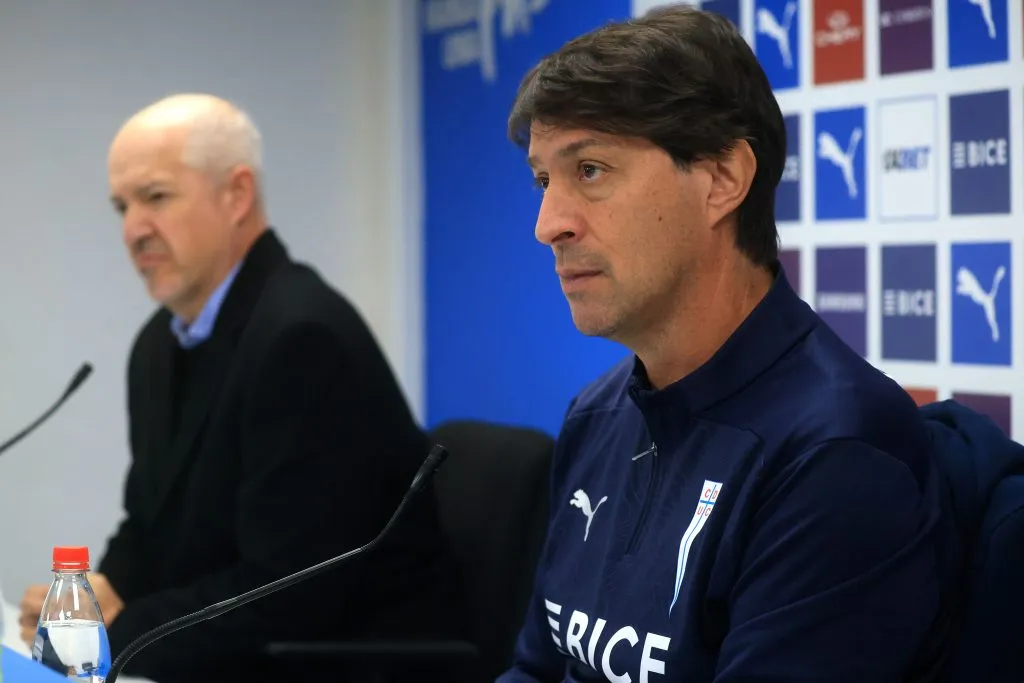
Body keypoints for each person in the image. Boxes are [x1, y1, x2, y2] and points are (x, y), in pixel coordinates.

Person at [497, 6, 949, 683]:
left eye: (589, 169)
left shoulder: (839, 453)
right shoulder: (596, 416)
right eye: (543, 180)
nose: (548, 223)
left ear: (722, 180)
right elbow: (537, 668)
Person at [19, 93, 461, 682]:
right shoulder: (160, 342)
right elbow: (149, 522)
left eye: (155, 197)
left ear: (237, 195)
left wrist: (114, 635)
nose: (132, 230)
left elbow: (289, 591)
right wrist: (84, 606)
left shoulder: (302, 336)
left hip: (342, 665)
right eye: (120, 206)